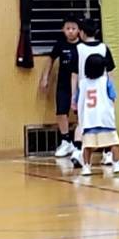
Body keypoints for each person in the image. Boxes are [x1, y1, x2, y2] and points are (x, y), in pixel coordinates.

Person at [70, 17, 116, 168]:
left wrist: (73, 97)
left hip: (85, 90)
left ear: (81, 32)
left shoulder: (77, 49)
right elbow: (111, 72)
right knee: (106, 123)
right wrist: (111, 92)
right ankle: (108, 154)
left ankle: (78, 152)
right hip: (102, 90)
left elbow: (74, 75)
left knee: (83, 123)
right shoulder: (104, 48)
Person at [76, 54, 119, 176]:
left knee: (87, 146)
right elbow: (113, 96)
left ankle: (86, 167)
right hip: (104, 119)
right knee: (113, 143)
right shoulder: (106, 82)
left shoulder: (82, 83)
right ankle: (117, 163)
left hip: (89, 120)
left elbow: (77, 100)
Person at [40, 15, 81, 159]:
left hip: (80, 86)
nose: (70, 31)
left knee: (80, 114)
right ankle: (66, 140)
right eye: (68, 28)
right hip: (63, 85)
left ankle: (79, 144)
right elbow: (50, 60)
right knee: (61, 112)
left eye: (73, 28)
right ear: (63, 30)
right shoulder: (60, 44)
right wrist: (45, 78)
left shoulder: (83, 46)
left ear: (79, 30)